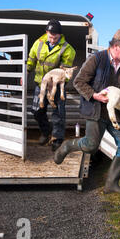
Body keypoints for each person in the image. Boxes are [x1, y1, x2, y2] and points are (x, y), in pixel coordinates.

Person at [54, 28, 120, 195]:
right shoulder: (96, 59)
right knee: (91, 147)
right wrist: (95, 95)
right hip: (96, 111)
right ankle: (67, 146)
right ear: (116, 46)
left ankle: (111, 185)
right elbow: (79, 82)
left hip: (117, 115)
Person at [27, 19, 76, 151]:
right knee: (36, 111)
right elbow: (31, 59)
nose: (52, 39)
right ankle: (46, 130)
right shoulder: (38, 43)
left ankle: (57, 139)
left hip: (57, 86)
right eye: (50, 36)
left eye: (55, 37)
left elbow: (65, 72)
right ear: (47, 33)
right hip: (40, 84)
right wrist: (25, 72)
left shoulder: (68, 49)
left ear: (60, 35)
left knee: (58, 113)